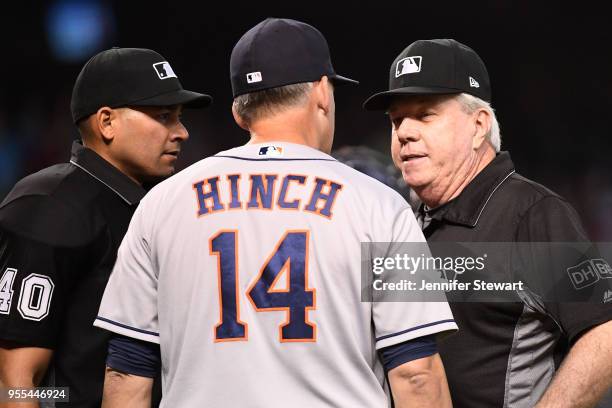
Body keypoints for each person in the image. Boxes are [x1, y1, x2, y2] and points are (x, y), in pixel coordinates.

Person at [94, 18, 457, 408]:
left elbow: (127, 370)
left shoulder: (160, 205)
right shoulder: (381, 206)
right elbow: (415, 373)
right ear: (321, 92)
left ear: (239, 112)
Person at [364, 38, 612, 407]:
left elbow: (604, 333)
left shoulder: (532, 212)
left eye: (425, 115)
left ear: (479, 125)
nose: (404, 132)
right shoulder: (402, 218)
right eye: (397, 119)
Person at [0, 47, 211, 407]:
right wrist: (75, 399)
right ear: (107, 122)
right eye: (163, 116)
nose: (181, 132)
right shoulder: (49, 206)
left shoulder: (161, 203)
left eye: (178, 117)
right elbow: (16, 383)